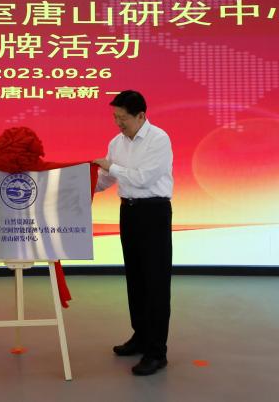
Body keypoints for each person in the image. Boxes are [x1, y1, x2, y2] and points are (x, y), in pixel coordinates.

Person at [92, 90, 174, 376]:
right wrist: (79, 185)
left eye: (123, 118)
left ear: (141, 115)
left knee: (156, 282)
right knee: (136, 278)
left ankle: (157, 352)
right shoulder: (116, 142)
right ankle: (140, 337)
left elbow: (143, 178)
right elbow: (105, 180)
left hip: (154, 213)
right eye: (115, 117)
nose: (118, 123)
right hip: (128, 212)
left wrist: (111, 167)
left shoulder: (159, 139)